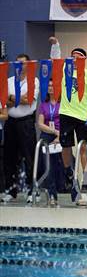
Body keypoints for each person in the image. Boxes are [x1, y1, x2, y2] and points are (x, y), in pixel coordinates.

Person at [50, 37, 87, 206]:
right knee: (66, 145)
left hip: (81, 116)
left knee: (83, 147)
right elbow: (55, 61)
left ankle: (85, 176)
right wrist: (56, 45)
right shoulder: (65, 69)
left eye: (77, 58)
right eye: (72, 57)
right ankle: (69, 173)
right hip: (65, 112)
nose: (74, 60)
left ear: (84, 61)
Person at [2, 54, 39, 203]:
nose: (19, 66)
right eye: (17, 63)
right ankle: (11, 191)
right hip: (10, 122)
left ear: (28, 65)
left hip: (26, 123)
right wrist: (17, 98)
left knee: (29, 158)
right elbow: (4, 102)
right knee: (9, 158)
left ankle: (31, 191)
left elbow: (28, 100)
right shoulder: (8, 81)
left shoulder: (34, 81)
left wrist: (11, 97)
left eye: (22, 63)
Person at [37, 79, 65, 205]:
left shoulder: (63, 103)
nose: (50, 88)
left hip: (62, 134)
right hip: (48, 135)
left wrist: (59, 136)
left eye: (53, 86)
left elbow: (66, 122)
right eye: (48, 86)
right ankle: (52, 195)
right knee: (49, 166)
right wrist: (54, 133)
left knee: (65, 164)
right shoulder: (44, 104)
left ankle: (72, 191)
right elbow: (40, 124)